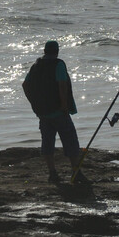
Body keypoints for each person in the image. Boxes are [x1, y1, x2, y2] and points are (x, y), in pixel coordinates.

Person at [22, 41, 90, 184]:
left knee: (47, 142)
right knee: (70, 140)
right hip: (58, 111)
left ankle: (52, 173)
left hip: (43, 112)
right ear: (57, 51)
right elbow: (62, 86)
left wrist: (33, 103)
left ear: (45, 51)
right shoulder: (58, 64)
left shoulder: (36, 66)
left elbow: (25, 85)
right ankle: (75, 171)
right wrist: (64, 106)